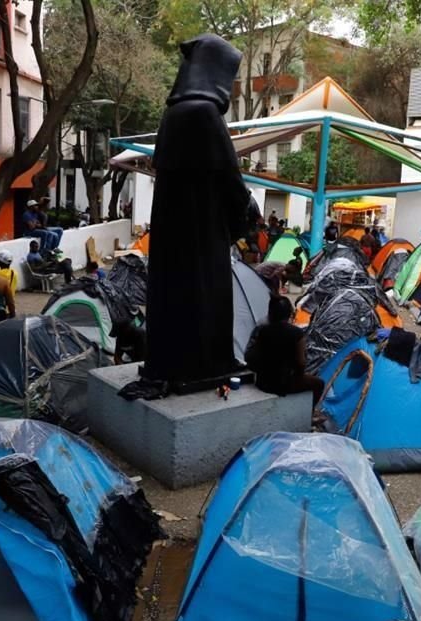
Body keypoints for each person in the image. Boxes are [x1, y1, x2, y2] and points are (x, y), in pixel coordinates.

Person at [141, 34, 253, 385]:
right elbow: (229, 177)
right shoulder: (205, 113)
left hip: (173, 232)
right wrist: (246, 209)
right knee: (209, 296)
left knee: (174, 297)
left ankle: (172, 363)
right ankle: (210, 363)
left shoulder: (172, 115)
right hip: (203, 232)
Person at [244, 296, 325, 409]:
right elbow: (301, 363)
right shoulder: (297, 334)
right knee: (319, 384)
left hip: (262, 382)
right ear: (289, 314)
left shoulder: (262, 331)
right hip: (283, 384)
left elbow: (253, 357)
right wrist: (299, 377)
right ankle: (310, 414)